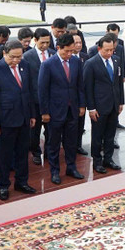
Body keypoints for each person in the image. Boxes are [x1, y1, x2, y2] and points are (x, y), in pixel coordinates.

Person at [0, 40, 37, 200]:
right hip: (6, 119)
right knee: (5, 154)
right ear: (4, 53)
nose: (16, 60)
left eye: (19, 57)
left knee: (23, 152)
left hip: (24, 117)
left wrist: (32, 114)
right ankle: (3, 185)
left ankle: (22, 182)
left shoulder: (25, 66)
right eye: (12, 57)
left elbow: (29, 92)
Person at [39, 33, 87, 183]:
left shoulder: (76, 62)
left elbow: (80, 85)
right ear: (58, 47)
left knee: (71, 141)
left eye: (72, 51)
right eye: (66, 51)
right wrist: (44, 112)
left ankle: (71, 167)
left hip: (72, 109)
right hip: (54, 111)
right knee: (53, 143)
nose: (69, 54)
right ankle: (54, 171)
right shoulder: (47, 64)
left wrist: (82, 104)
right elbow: (42, 90)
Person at [83, 34, 125, 174]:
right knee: (97, 136)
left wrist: (121, 102)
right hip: (99, 107)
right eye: (106, 50)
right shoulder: (91, 63)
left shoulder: (116, 60)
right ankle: (97, 161)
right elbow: (87, 87)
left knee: (110, 135)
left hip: (114, 104)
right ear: (99, 48)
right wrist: (91, 108)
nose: (109, 53)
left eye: (112, 50)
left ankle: (109, 159)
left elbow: (119, 83)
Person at [23, 27, 51, 165]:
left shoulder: (53, 54)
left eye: (47, 42)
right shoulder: (27, 56)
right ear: (35, 40)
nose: (45, 45)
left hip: (51, 100)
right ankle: (35, 151)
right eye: (42, 43)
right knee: (35, 130)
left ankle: (49, 152)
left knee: (51, 129)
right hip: (35, 100)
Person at [71, 32, 89, 156]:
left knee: (80, 123)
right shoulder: (66, 58)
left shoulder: (85, 57)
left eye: (80, 43)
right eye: (75, 43)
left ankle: (78, 144)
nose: (78, 45)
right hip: (69, 97)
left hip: (82, 97)